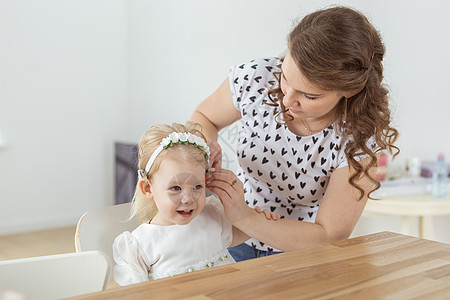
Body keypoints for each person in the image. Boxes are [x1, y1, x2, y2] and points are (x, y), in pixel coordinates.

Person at [191, 6, 399, 261]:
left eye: (309, 95)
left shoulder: (359, 139)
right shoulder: (257, 78)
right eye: (286, 77)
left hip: (298, 254)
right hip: (228, 235)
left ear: (350, 90)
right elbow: (205, 118)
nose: (288, 99)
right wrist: (204, 145)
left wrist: (245, 217)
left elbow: (328, 235)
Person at [112, 122, 279, 285]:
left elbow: (242, 232)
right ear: (148, 188)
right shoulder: (140, 244)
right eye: (175, 188)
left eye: (197, 186)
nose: (188, 199)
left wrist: (258, 218)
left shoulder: (213, 215)